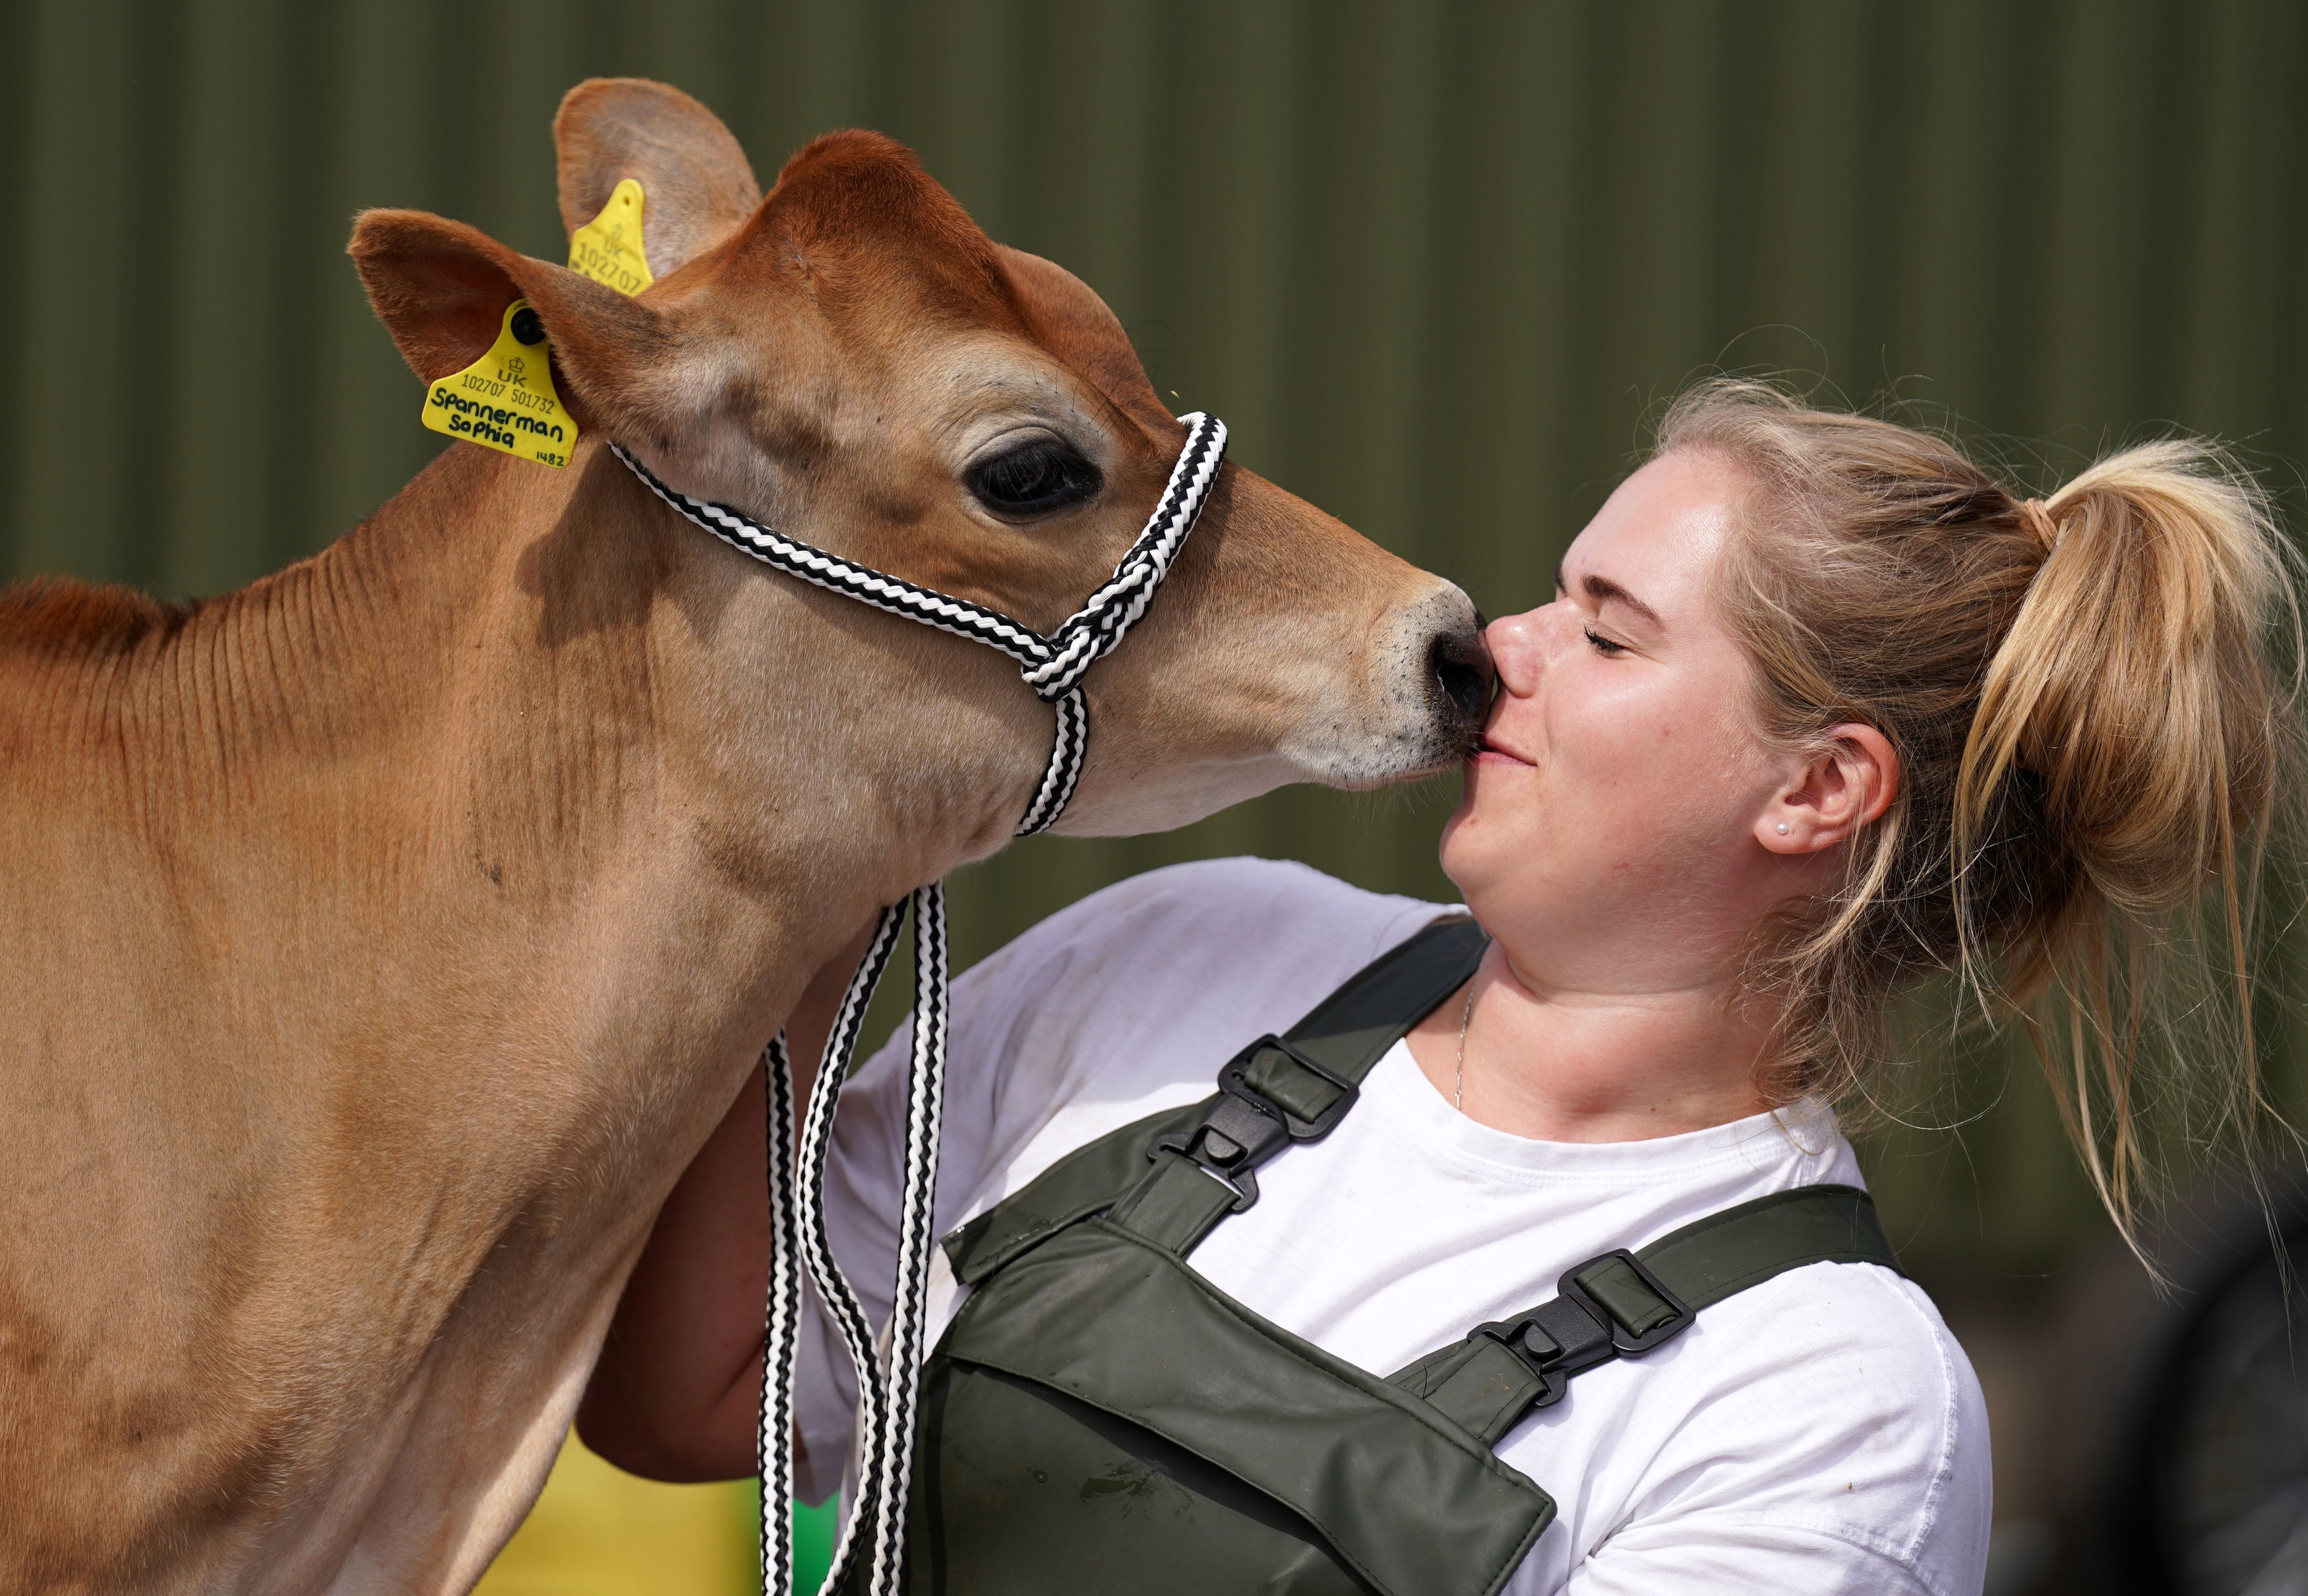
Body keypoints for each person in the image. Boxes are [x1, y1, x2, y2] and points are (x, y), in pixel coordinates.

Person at [576, 379, 2297, 1595]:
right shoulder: (1196, 954)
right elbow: (694, 1398)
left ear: (1813, 791)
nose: (1502, 647)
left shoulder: (1823, 1402)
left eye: (1607, 631)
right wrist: (803, 863)